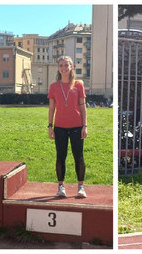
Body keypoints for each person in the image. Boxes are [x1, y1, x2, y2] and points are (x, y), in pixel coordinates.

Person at [47, 56, 88, 198]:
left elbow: (83, 107)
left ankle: (81, 187)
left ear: (71, 67)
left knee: (79, 156)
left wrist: (85, 126)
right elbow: (51, 108)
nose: (64, 68)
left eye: (66, 65)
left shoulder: (78, 85)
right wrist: (50, 126)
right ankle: (61, 187)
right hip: (60, 127)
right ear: (58, 68)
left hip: (77, 126)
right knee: (60, 157)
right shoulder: (53, 86)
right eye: (61, 65)